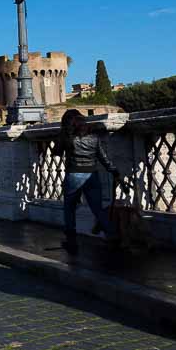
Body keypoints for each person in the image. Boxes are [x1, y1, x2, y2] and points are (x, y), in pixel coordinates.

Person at [54, 109, 120, 255]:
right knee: (97, 209)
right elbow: (103, 158)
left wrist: (61, 135)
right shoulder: (94, 138)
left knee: (69, 208)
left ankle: (71, 241)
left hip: (74, 175)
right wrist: (113, 170)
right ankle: (112, 235)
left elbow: (56, 152)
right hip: (92, 175)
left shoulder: (67, 137)